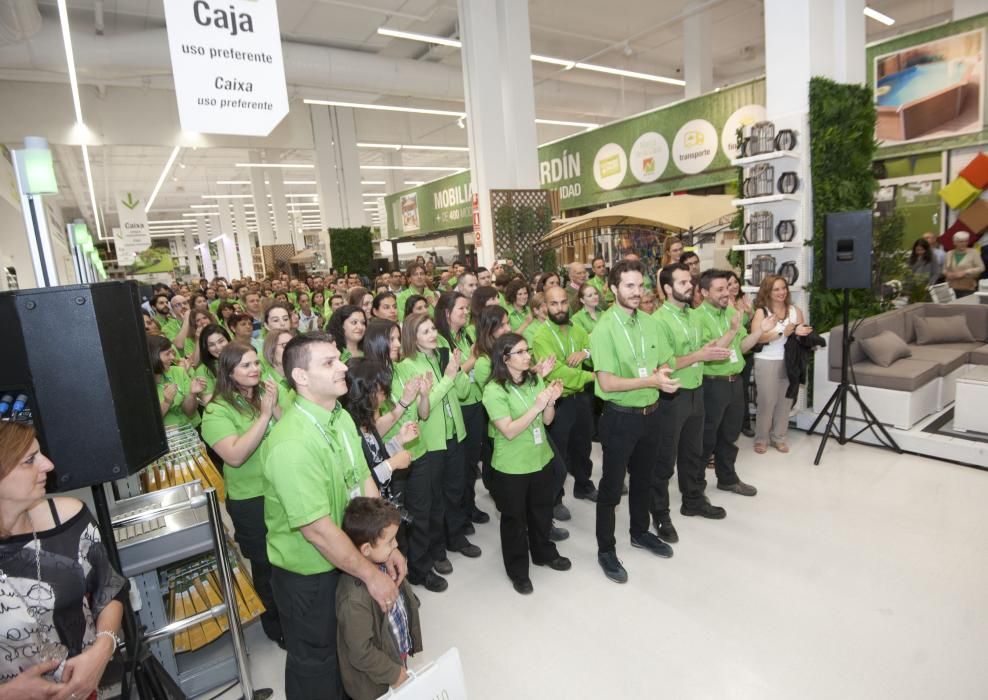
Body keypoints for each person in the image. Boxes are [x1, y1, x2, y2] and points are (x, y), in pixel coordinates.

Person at [262, 333, 405, 700]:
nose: (343, 366)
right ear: (301, 377)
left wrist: (386, 545)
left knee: (350, 651)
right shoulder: (292, 443)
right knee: (318, 663)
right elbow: (319, 531)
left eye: (339, 358)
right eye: (328, 362)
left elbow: (363, 483)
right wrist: (371, 572)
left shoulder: (339, 418)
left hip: (349, 558)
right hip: (309, 575)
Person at [0, 423, 127, 700]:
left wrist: (103, 648)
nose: (48, 465)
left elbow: (110, 589)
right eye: (29, 460)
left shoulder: (70, 520)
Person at [590, 259, 680, 584]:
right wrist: (652, 382)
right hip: (619, 418)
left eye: (640, 285)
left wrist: (665, 378)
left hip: (651, 414)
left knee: (645, 479)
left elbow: (663, 363)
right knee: (612, 487)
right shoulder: (603, 329)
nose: (636, 292)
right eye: (629, 285)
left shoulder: (650, 322)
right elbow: (608, 383)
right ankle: (605, 549)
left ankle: (640, 532)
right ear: (613, 288)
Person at [201, 343, 283, 647]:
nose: (255, 369)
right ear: (229, 371)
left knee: (286, 559)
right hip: (251, 499)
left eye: (256, 363)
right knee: (265, 566)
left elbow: (288, 429)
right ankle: (275, 625)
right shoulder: (216, 409)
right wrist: (263, 417)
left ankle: (293, 614)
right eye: (246, 365)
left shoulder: (266, 394)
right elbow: (234, 455)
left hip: (280, 489)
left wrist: (274, 409)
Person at [394, 314, 481, 592]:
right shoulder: (406, 367)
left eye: (433, 328)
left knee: (455, 491)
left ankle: (456, 538)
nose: (433, 334)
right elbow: (422, 408)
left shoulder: (442, 356)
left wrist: (458, 370)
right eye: (425, 330)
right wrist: (447, 379)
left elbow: (464, 392)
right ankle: (437, 550)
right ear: (412, 336)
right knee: (431, 503)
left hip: (455, 434)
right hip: (430, 444)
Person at [650, 263, 733, 541]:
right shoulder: (658, 321)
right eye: (683, 282)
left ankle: (693, 500)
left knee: (693, 453)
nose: (690, 286)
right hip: (672, 396)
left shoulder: (694, 316)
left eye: (690, 281)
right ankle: (660, 515)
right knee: (664, 459)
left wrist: (714, 346)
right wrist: (700, 356)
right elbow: (667, 363)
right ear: (666, 289)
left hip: (697, 391)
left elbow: (705, 351)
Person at [483, 333, 570, 594]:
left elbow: (546, 421)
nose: (527, 356)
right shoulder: (493, 390)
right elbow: (508, 430)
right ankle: (518, 570)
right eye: (520, 352)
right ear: (505, 358)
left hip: (539, 457)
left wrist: (551, 401)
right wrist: (536, 405)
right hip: (512, 466)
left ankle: (543, 552)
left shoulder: (534, 379)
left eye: (526, 350)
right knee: (514, 520)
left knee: (541, 511)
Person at [337, 498, 422, 700]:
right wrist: (392, 673)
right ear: (365, 549)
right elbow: (361, 652)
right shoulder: (354, 599)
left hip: (395, 652)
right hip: (376, 680)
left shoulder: (384, 563)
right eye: (390, 541)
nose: (397, 545)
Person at [695, 270, 769, 501]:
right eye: (719, 289)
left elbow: (742, 348)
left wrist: (759, 331)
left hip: (734, 382)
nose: (726, 293)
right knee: (706, 438)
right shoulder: (697, 318)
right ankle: (695, 489)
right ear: (704, 292)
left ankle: (727, 479)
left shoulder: (730, 312)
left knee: (730, 435)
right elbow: (713, 354)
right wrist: (733, 329)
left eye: (727, 288)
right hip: (711, 384)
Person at [534, 286, 597, 508]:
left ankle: (583, 484)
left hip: (581, 398)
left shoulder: (578, 330)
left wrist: (586, 353)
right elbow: (558, 373)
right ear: (545, 307)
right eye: (554, 303)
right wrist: (592, 376)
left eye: (563, 302)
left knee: (583, 444)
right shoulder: (541, 336)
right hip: (557, 402)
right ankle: (556, 498)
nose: (560, 308)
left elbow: (595, 353)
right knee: (558, 450)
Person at [434, 292, 490, 529]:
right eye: (461, 309)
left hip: (476, 401)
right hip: (458, 408)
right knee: (460, 466)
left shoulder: (466, 334)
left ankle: (469, 505)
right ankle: (459, 513)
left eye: (468, 309)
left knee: (471, 463)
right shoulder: (440, 341)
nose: (466, 313)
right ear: (447, 313)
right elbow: (452, 375)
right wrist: (474, 357)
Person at [750, 276, 812, 454]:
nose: (781, 292)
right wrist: (781, 333)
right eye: (776, 289)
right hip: (767, 361)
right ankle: (761, 438)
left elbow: (803, 335)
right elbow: (757, 338)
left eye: (783, 288)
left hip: (790, 361)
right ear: (767, 292)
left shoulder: (795, 310)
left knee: (785, 401)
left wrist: (801, 333)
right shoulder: (762, 312)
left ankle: (779, 437)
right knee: (766, 401)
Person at [343, 361, 420, 501]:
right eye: (380, 393)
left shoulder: (367, 422)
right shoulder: (348, 430)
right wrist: (393, 464)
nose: (384, 398)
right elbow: (359, 484)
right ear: (363, 395)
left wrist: (399, 440)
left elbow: (376, 457)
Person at [149, 334, 205, 427]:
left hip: (191, 428)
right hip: (169, 436)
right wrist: (166, 403)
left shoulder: (178, 372)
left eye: (172, 353)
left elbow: (190, 412)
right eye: (167, 354)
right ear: (153, 357)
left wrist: (192, 394)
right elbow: (149, 422)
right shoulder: (141, 384)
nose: (172, 357)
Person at [726, 271, 756, 438]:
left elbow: (751, 325)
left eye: (735, 282)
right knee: (732, 392)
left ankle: (745, 424)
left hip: (745, 351)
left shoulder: (743, 301)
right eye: (729, 284)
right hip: (730, 352)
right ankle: (732, 425)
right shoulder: (723, 305)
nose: (734, 286)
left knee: (742, 390)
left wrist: (749, 312)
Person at [193, 323, 231, 404]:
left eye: (221, 341)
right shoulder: (203, 370)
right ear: (206, 348)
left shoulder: (240, 359)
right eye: (211, 345)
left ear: (228, 339)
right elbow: (209, 403)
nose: (218, 347)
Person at [263, 330, 297, 413]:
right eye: (285, 345)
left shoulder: (300, 374)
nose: (291, 350)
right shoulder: (264, 382)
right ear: (271, 351)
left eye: (293, 345)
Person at [943, 231, 984, 297]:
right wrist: (948, 274)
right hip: (950, 288)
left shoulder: (974, 253)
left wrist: (965, 272)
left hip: (967, 288)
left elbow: (981, 268)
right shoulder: (949, 254)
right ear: (955, 242)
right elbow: (944, 269)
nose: (964, 244)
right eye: (961, 242)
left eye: (966, 241)